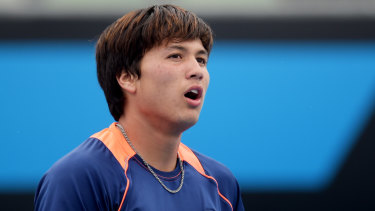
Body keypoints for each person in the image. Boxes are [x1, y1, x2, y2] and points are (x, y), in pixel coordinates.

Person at [34, 4, 244, 211]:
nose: (197, 71)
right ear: (127, 77)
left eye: (201, 60)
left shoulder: (222, 184)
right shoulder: (79, 178)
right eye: (176, 56)